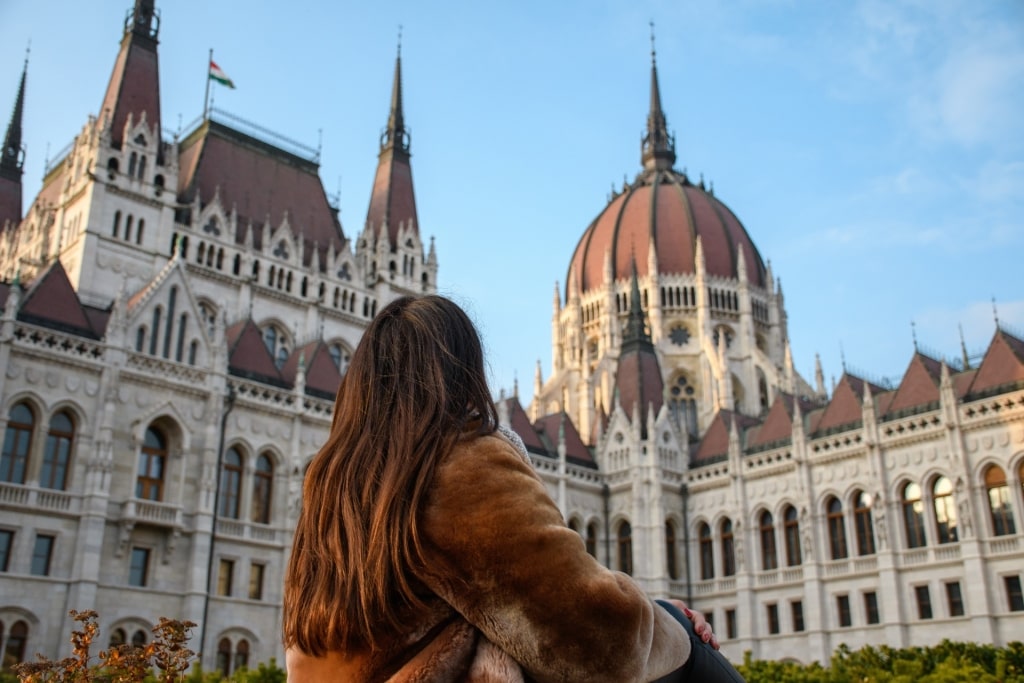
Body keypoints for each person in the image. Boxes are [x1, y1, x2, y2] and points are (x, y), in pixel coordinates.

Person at [283, 294, 744, 682]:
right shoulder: (460, 463)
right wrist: (672, 620)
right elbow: (593, 636)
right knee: (696, 657)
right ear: (459, 374)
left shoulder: (332, 486)